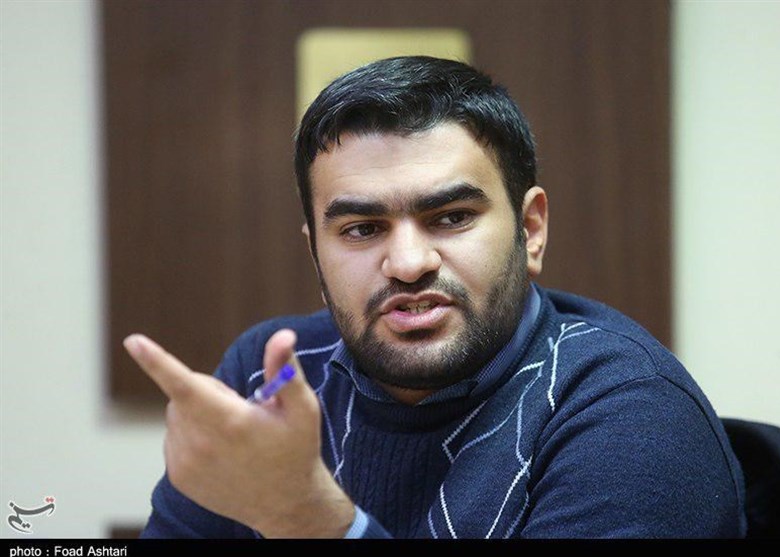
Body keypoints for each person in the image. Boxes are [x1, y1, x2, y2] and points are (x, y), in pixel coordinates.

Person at [124, 56, 747, 539]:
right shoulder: (274, 375)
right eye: (362, 229)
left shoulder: (629, 414)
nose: (408, 263)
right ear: (315, 253)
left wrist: (306, 517)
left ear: (530, 230)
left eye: (450, 217)